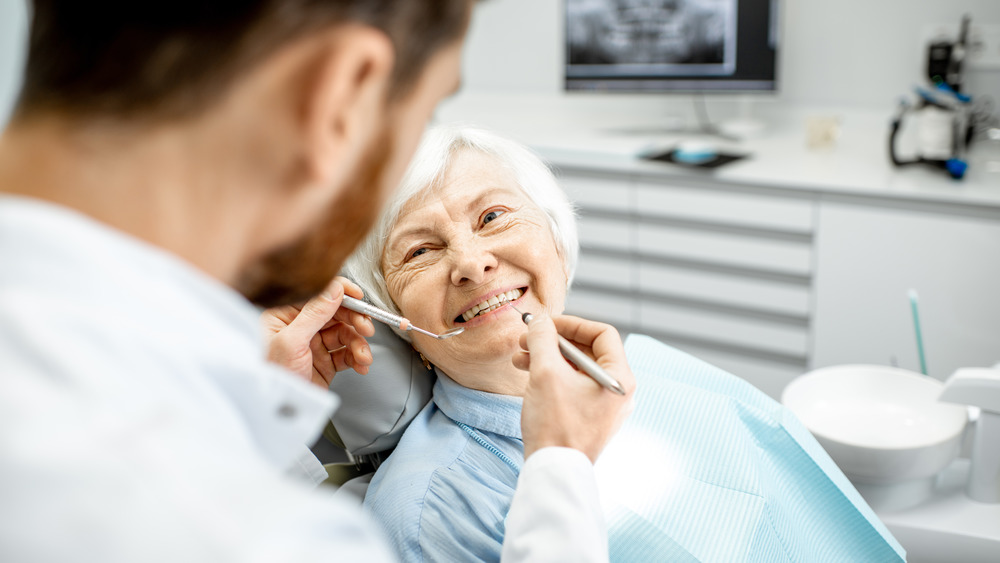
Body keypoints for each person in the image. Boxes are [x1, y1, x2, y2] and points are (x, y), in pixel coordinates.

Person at [0, 3, 635, 562]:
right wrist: (561, 468)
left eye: (494, 215)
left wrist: (252, 413)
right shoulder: (251, 534)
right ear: (342, 93)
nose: (470, 262)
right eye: (427, 110)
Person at [347, 125, 906, 562]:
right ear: (396, 318)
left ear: (557, 241)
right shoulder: (427, 509)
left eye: (493, 216)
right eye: (419, 251)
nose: (471, 262)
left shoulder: (661, 373)